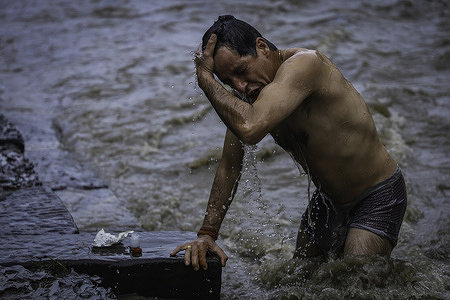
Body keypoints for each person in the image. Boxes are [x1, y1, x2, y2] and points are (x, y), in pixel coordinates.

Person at [170, 15, 407, 271]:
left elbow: (251, 129)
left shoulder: (306, 64)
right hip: (327, 201)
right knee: (298, 280)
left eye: (241, 71)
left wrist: (206, 79)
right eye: (227, 82)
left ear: (262, 47)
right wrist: (207, 233)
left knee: (358, 281)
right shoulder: (251, 96)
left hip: (376, 194)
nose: (241, 87)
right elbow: (229, 166)